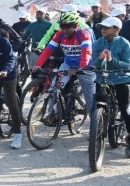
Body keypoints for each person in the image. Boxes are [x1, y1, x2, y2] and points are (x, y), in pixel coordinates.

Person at [33, 11, 96, 115]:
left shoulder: (84, 34)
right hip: (68, 64)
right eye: (62, 27)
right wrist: (38, 64)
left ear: (75, 26)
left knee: (90, 100)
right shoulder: (59, 34)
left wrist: (82, 67)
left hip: (85, 67)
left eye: (68, 27)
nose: (65, 30)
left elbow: (87, 52)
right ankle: (53, 115)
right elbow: (48, 49)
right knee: (54, 89)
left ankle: (94, 120)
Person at [90, 16, 130, 144]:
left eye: (107, 27)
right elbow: (92, 64)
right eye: (102, 27)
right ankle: (94, 136)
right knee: (95, 108)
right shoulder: (97, 43)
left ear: (116, 29)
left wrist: (112, 60)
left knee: (125, 109)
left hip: (121, 80)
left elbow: (127, 65)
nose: (103, 29)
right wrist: (100, 59)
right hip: (102, 80)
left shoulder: (124, 43)